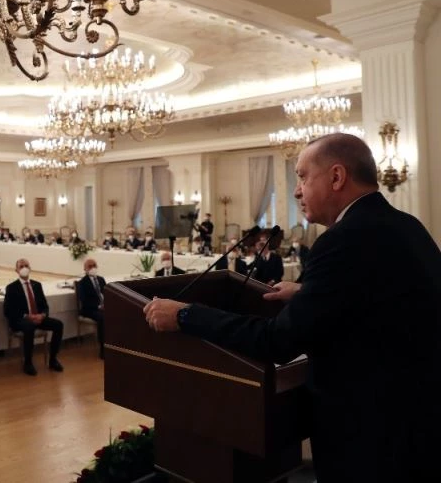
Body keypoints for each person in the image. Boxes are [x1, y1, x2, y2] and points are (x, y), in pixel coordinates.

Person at [143, 133, 441, 483]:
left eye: (302, 177)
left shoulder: (342, 239)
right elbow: (385, 299)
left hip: (371, 437)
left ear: (336, 177)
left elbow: (277, 342)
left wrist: (185, 314)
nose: (297, 191)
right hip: (419, 420)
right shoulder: (406, 225)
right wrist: (307, 293)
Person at [3, 258, 64, 375]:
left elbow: (44, 305)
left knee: (58, 325)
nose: (24, 268)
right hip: (20, 320)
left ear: (30, 268)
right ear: (16, 270)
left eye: (26, 266)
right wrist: (27, 316)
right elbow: (8, 310)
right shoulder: (11, 288)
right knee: (29, 327)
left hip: (38, 318)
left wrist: (42, 315)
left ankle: (53, 360)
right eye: (21, 266)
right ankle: (28, 363)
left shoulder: (37, 285)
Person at [76, 258, 106, 358]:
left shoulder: (101, 279)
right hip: (90, 309)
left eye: (94, 265)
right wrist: (99, 306)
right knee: (102, 318)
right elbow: (84, 301)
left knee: (117, 314)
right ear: (85, 269)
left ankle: (115, 345)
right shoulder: (82, 283)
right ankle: (103, 349)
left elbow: (107, 294)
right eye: (90, 266)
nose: (93, 268)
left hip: (103, 308)